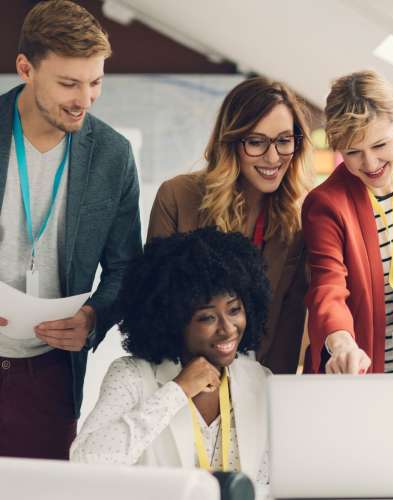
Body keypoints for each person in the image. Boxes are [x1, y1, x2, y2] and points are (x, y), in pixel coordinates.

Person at [0, 0, 141, 459]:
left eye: (95, 82)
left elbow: (126, 269)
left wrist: (92, 319)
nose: (85, 99)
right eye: (68, 83)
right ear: (26, 68)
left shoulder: (112, 155)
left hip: (51, 375)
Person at [71, 227, 271, 483]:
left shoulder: (259, 379)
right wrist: (177, 391)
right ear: (174, 319)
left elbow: (271, 481)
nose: (228, 328)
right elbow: (86, 462)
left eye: (234, 310)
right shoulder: (132, 376)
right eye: (207, 317)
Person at [148, 77, 310, 374]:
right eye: (256, 142)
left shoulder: (297, 219)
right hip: (181, 380)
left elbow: (288, 325)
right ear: (231, 142)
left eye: (284, 140)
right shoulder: (177, 197)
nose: (273, 157)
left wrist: (270, 394)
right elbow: (156, 306)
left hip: (255, 384)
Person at [303, 70, 393, 374]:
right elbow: (328, 287)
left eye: (379, 145)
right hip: (363, 370)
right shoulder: (326, 205)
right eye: (353, 153)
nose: (371, 164)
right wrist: (342, 345)